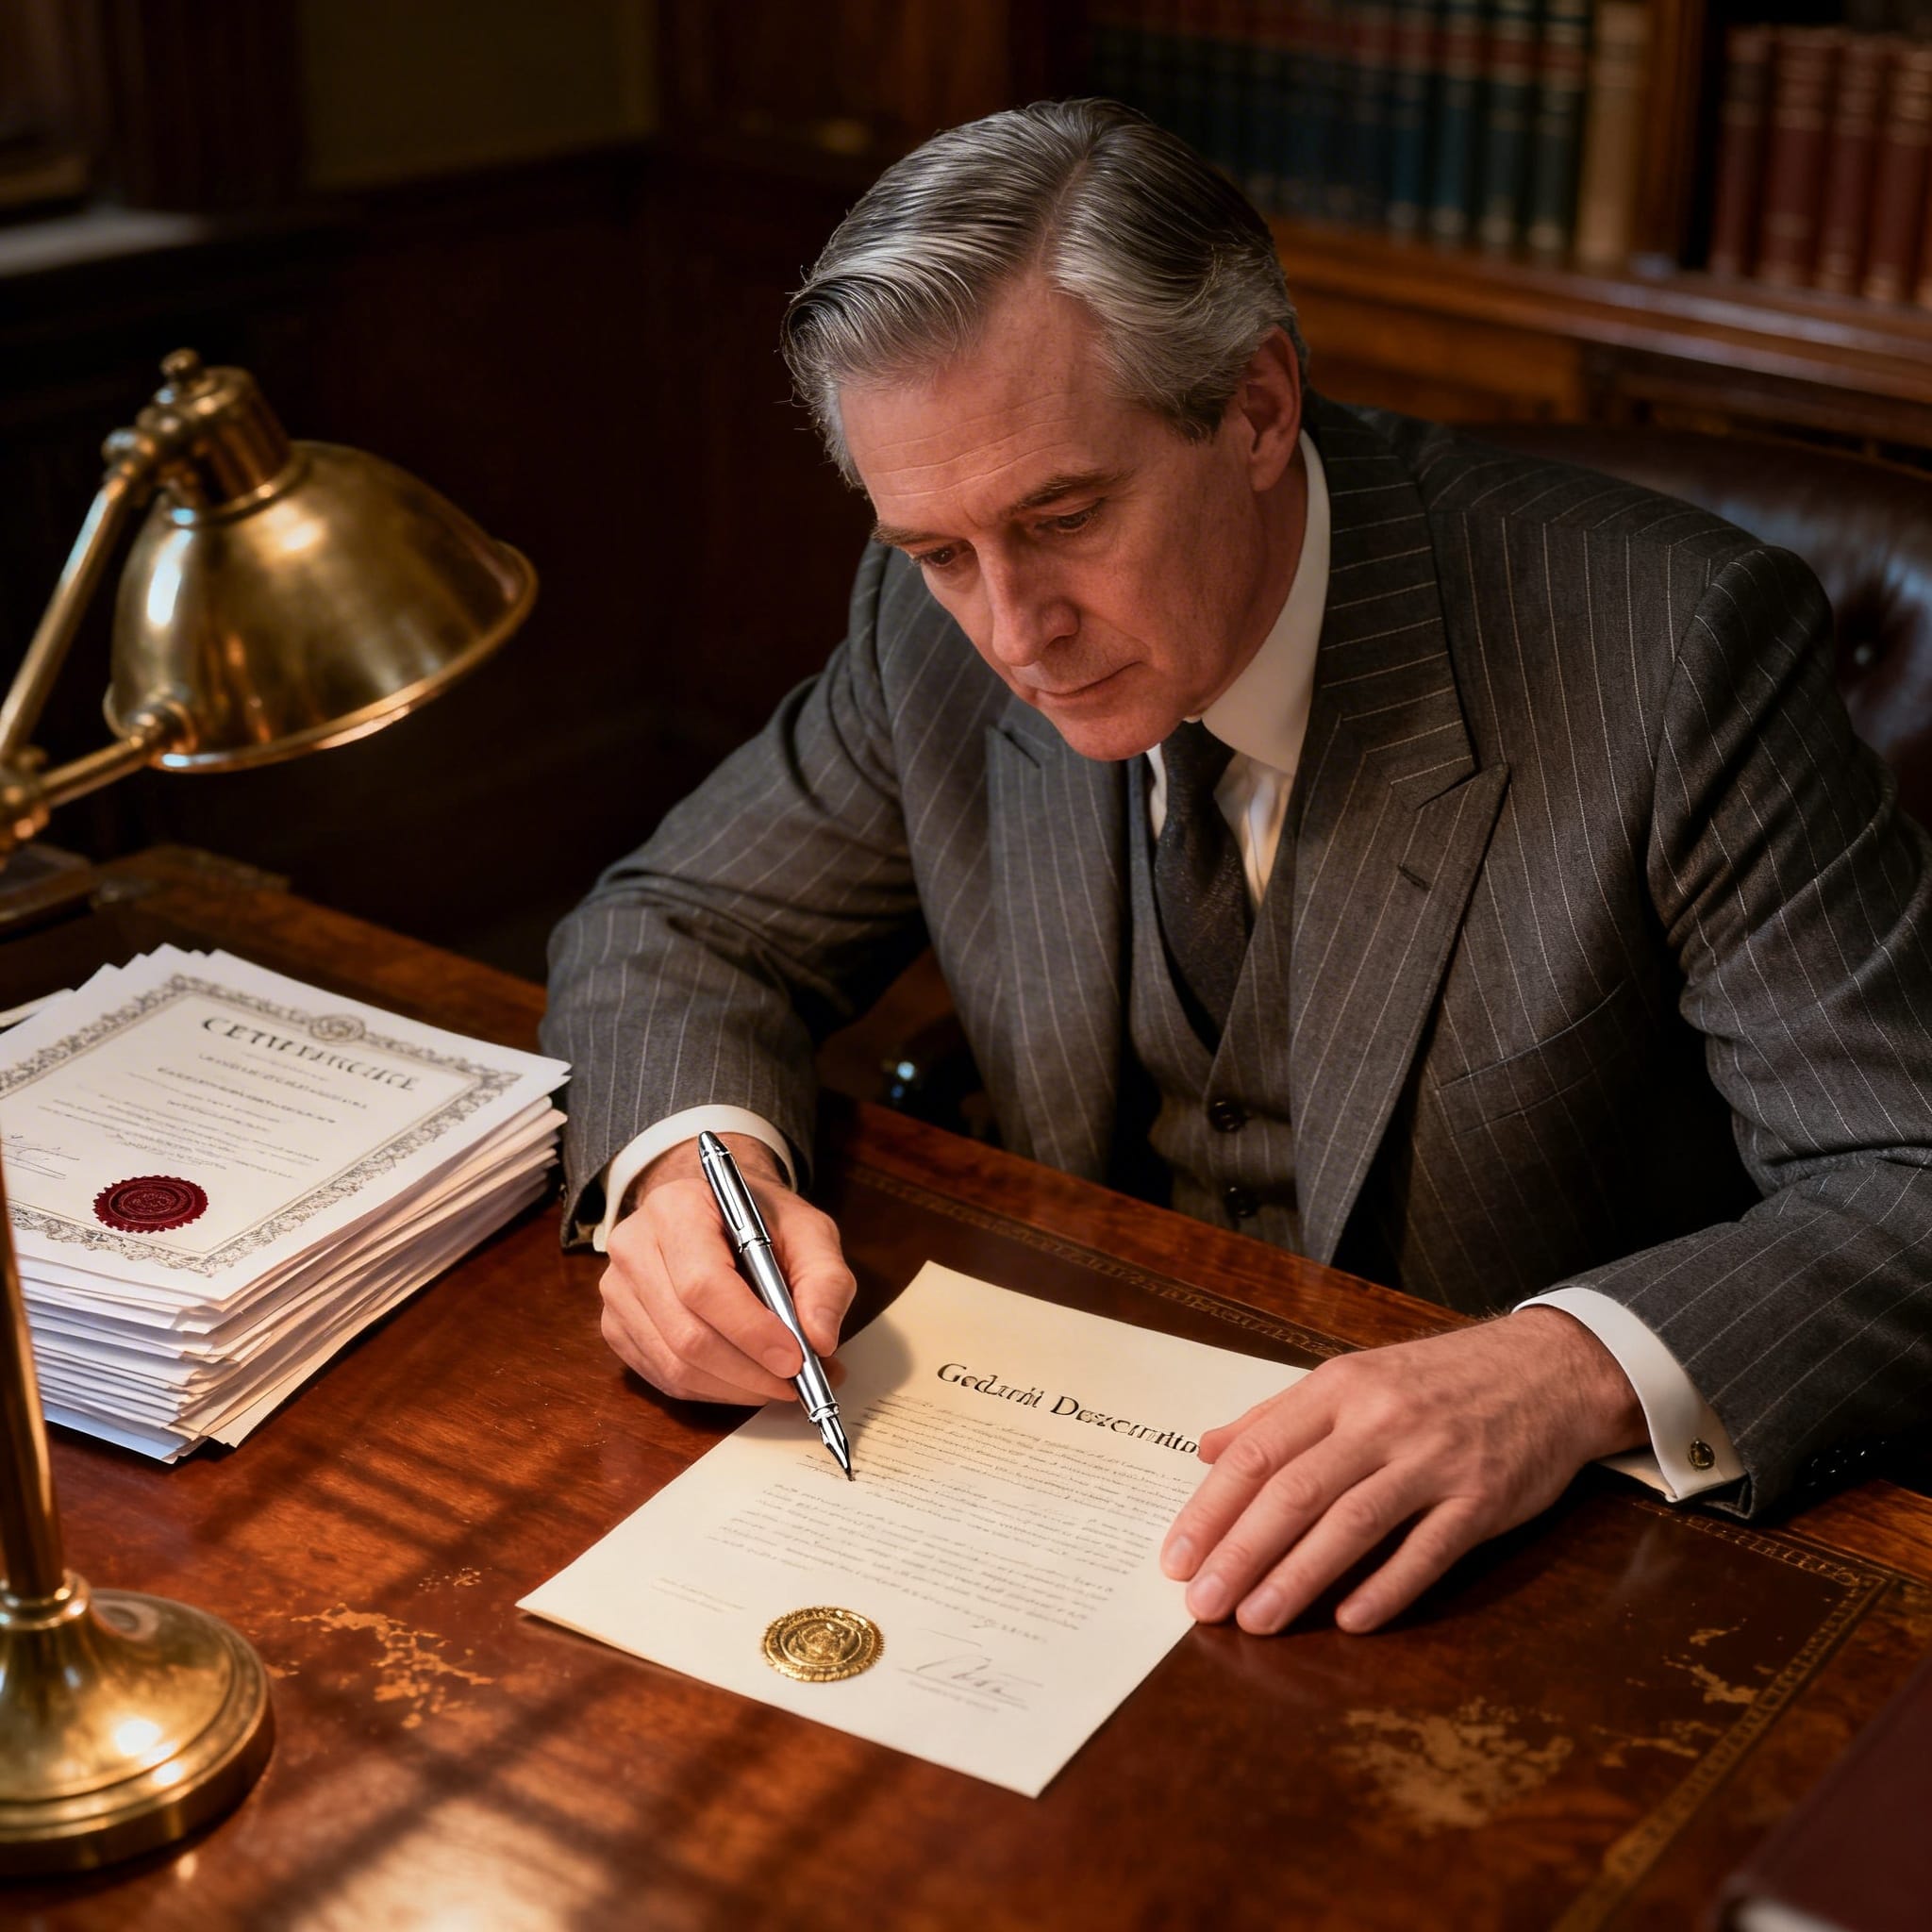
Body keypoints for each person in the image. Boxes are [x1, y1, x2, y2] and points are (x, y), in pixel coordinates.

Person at [542, 100, 1932, 1639]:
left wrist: (1566, 1372)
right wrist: (689, 1174)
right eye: (941, 554)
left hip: (1508, 1574)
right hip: (1049, 1503)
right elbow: (674, 924)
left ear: (1258, 408)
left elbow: (1906, 1178)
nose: (1010, 630)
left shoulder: (1672, 653)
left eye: (1065, 517)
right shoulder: (925, 610)